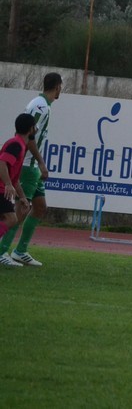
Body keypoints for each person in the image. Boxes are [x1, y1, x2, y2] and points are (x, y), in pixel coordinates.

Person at [0, 72, 61, 268]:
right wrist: (41, 162)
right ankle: (2, 251)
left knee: (40, 206)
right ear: (58, 87)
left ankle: (20, 251)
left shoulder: (42, 105)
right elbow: (27, 136)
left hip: (31, 166)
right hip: (28, 165)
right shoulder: (40, 106)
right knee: (21, 210)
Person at [0, 114, 35, 256]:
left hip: (3, 189)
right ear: (31, 129)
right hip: (1, 189)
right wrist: (8, 184)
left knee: (8, 219)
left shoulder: (19, 145)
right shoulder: (16, 144)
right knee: (11, 219)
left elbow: (14, 179)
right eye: (35, 127)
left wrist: (23, 197)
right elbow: (2, 162)